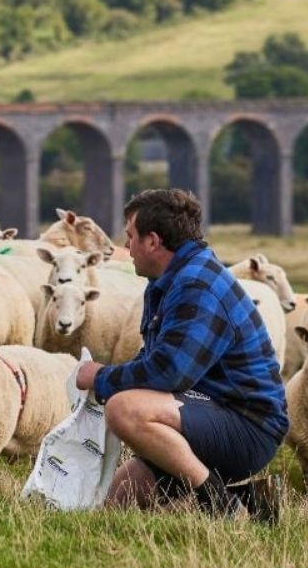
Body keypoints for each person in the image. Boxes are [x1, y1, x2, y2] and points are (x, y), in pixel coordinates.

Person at [75, 188, 288, 522]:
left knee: (123, 409)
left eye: (130, 236)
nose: (126, 246)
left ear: (153, 241)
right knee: (119, 500)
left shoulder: (196, 285)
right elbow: (155, 358)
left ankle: (220, 505)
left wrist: (101, 377)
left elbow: (170, 373)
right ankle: (251, 501)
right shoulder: (169, 280)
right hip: (204, 408)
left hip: (247, 424)